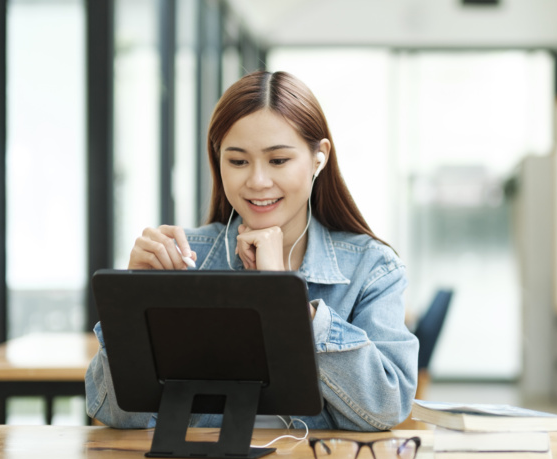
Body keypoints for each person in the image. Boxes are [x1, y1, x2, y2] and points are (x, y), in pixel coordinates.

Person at [85, 71, 418, 431]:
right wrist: (133, 306)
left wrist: (289, 304)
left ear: (318, 158)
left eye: (278, 161)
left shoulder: (372, 268)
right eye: (239, 161)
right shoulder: (184, 258)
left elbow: (388, 406)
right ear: (219, 159)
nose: (258, 181)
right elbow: (112, 412)